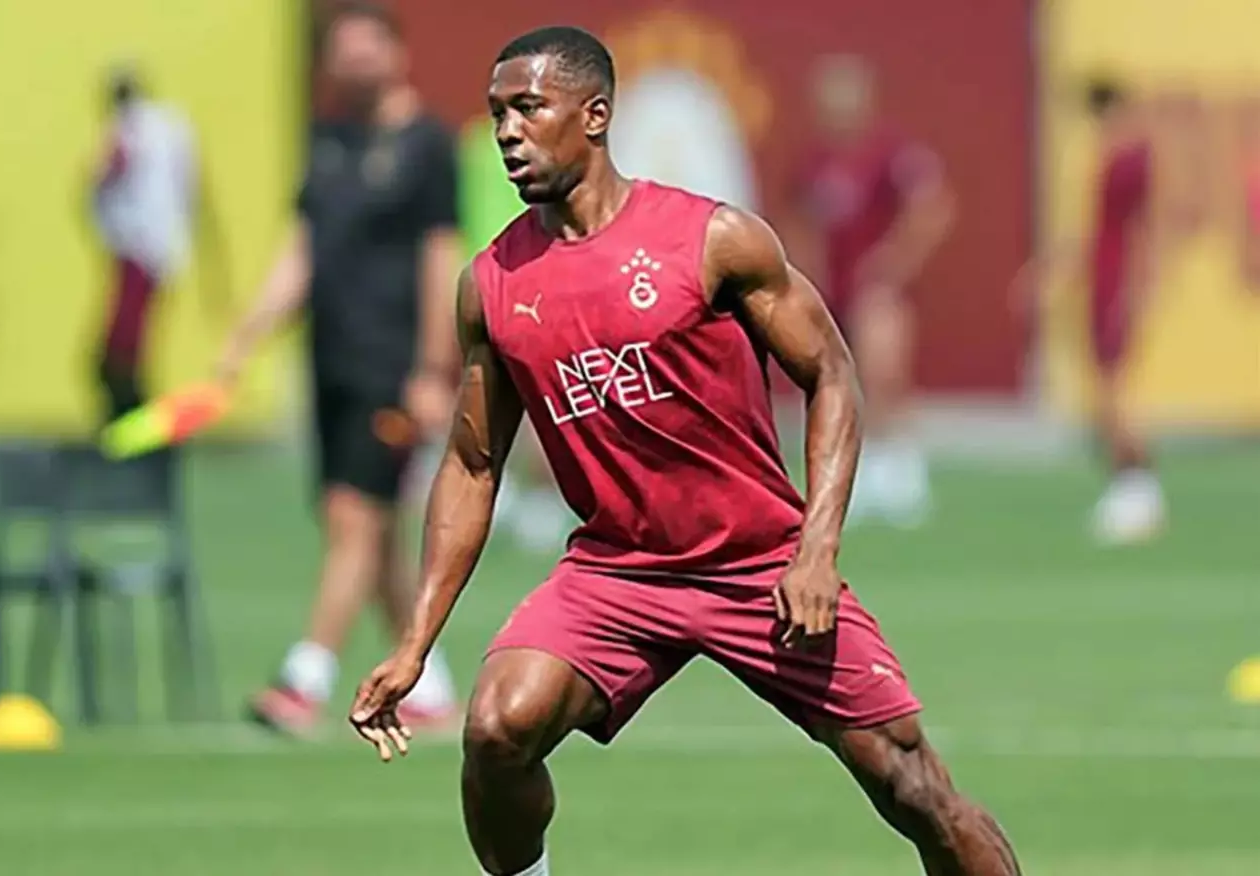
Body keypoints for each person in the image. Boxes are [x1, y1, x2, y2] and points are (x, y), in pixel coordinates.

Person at [348, 26, 1020, 876]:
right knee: (495, 729)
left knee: (914, 788)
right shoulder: (491, 284)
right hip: (617, 574)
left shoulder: (713, 239)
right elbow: (473, 464)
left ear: (595, 116)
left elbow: (832, 376)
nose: (508, 132)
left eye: (529, 108)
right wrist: (416, 643)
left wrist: (816, 553)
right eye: (497, 115)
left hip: (758, 564)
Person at [217, 2, 459, 735]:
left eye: (368, 48)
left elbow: (440, 257)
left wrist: (433, 368)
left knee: (356, 519)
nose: (356, 62)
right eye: (343, 51)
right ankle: (429, 687)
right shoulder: (327, 143)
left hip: (392, 367)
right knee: (368, 528)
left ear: (396, 53)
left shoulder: (426, 146)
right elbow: (303, 252)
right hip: (332, 365)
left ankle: (305, 679)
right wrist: (247, 336)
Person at [778, 55, 955, 527]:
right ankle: (857, 474)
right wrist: (803, 270)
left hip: (875, 290)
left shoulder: (891, 153)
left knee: (884, 373)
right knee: (837, 381)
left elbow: (932, 208)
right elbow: (798, 216)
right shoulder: (816, 160)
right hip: (833, 291)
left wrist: (893, 262)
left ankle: (902, 470)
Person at [1016, 78, 1164, 544]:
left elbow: (1144, 227)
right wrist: (1052, 273)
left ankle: (1139, 488)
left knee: (1113, 390)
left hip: (1117, 279)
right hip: (1103, 277)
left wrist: (1139, 285)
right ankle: (1128, 487)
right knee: (1104, 389)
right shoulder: (1106, 160)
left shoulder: (1130, 161)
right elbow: (1089, 232)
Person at [91, 66, 227, 423]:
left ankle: (133, 425)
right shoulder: (173, 127)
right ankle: (136, 421)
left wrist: (101, 209)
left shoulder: (130, 130)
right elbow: (193, 189)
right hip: (164, 247)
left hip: (139, 246)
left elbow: (103, 174)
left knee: (119, 352)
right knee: (128, 347)